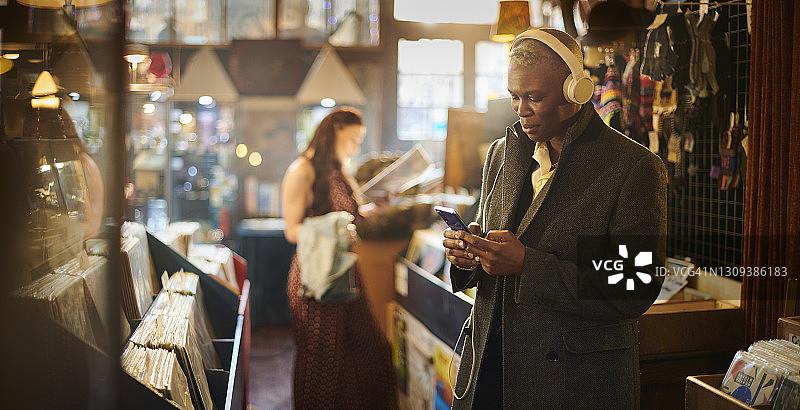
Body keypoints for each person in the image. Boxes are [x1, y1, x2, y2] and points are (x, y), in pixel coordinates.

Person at [442, 28, 667, 409]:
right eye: (514, 96)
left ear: (575, 91)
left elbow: (635, 284)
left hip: (571, 385)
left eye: (534, 97)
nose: (521, 109)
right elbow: (494, 248)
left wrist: (527, 266)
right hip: (491, 370)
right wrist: (471, 253)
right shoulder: (502, 153)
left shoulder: (632, 167)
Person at [281, 107, 396, 409]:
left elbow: (351, 217)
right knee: (321, 360)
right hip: (317, 274)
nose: (357, 146)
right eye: (354, 138)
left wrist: (376, 209)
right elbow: (291, 230)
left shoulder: (337, 170)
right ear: (335, 131)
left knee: (370, 349)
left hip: (345, 270)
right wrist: (337, 225)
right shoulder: (302, 169)